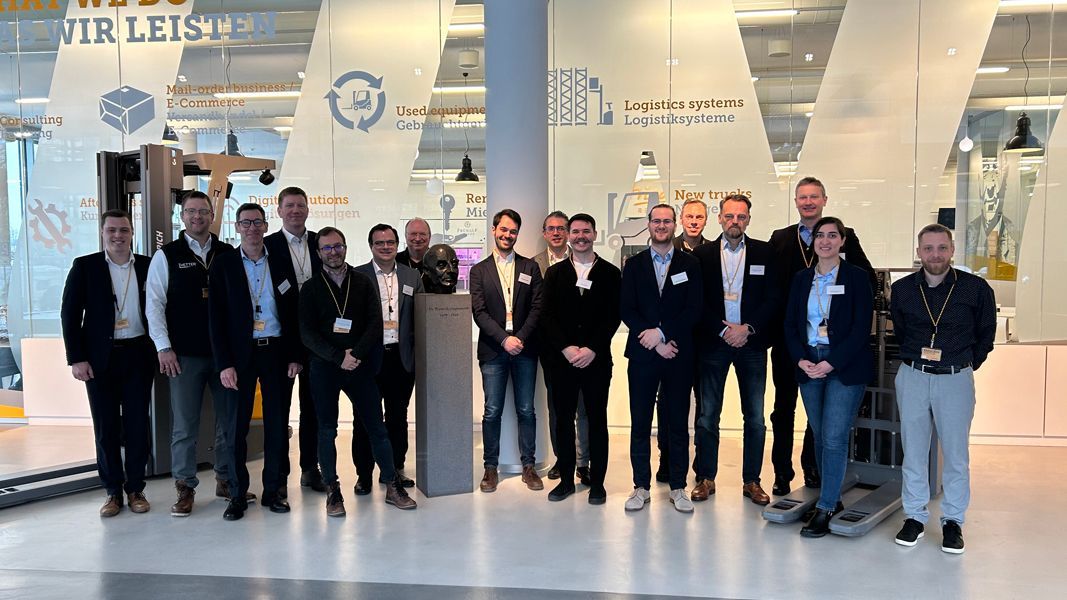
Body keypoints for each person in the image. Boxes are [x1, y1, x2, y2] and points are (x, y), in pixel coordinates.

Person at [890, 224, 995, 554]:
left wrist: (965, 363)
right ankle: (915, 516)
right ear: (918, 252)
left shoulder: (975, 288)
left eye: (941, 248)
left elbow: (986, 334)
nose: (935, 255)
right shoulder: (903, 289)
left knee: (956, 454)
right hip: (914, 375)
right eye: (928, 248)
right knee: (914, 451)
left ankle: (953, 521)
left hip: (955, 377)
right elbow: (901, 330)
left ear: (952, 250)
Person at [768, 176, 875, 496]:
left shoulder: (844, 236)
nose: (808, 202)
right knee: (783, 408)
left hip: (833, 347)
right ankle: (781, 472)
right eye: (803, 197)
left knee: (822, 420)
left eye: (814, 196)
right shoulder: (780, 238)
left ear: (824, 200)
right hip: (792, 342)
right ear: (796, 202)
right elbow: (771, 287)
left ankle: (813, 469)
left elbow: (866, 279)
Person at [299, 227, 417, 515]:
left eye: (338, 246)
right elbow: (307, 333)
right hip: (325, 368)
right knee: (326, 430)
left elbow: (375, 324)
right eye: (327, 248)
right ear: (319, 253)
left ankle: (391, 484)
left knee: (377, 427)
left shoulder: (362, 282)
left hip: (359, 367)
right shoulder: (310, 288)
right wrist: (338, 356)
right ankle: (333, 491)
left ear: (346, 247)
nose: (333, 252)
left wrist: (355, 355)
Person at [145, 191, 240, 516]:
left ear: (212, 215)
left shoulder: (227, 253)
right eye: (190, 211)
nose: (197, 216)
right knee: (185, 426)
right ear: (182, 216)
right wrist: (163, 347)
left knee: (228, 422)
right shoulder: (167, 256)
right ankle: (185, 487)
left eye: (203, 211)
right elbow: (154, 305)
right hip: (183, 356)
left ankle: (225, 479)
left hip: (225, 356)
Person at [208, 203, 303, 521]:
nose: (252, 228)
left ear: (265, 225)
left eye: (257, 222)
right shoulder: (224, 264)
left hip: (276, 352)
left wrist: (295, 355)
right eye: (246, 223)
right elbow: (215, 318)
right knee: (235, 428)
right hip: (239, 357)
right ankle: (237, 494)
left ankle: (273, 491)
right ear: (237, 227)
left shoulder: (281, 261)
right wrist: (224, 363)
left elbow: (292, 311)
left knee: (277, 425)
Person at [783, 217, 873, 537]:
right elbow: (790, 325)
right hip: (809, 363)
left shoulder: (857, 277)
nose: (825, 241)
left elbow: (861, 328)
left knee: (834, 437)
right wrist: (801, 358)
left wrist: (831, 363)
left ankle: (826, 506)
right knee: (820, 436)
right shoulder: (801, 278)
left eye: (832, 235)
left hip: (843, 367)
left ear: (842, 241)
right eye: (820, 235)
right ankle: (831, 497)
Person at [61, 209, 154, 517]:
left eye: (123, 230)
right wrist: (76, 358)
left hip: (139, 354)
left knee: (138, 425)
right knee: (106, 426)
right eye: (112, 230)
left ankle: (136, 488)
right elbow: (70, 314)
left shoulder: (147, 265)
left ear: (132, 233)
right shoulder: (85, 267)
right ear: (102, 233)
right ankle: (113, 491)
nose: (118, 236)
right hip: (100, 359)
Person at [691, 194, 779, 506]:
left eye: (741, 217)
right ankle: (705, 477)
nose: (735, 222)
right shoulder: (701, 255)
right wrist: (723, 329)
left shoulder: (765, 252)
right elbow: (696, 300)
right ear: (720, 218)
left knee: (755, 417)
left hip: (751, 344)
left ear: (749, 219)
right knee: (707, 416)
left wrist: (747, 328)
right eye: (729, 216)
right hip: (714, 343)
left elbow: (773, 298)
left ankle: (752, 481)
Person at [620, 204, 703, 513]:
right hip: (643, 353)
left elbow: (694, 309)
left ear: (674, 224)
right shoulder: (634, 264)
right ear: (649, 224)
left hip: (677, 353)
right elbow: (626, 308)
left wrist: (663, 334)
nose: (662, 226)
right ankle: (640, 486)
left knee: (678, 423)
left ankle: (678, 486)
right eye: (656, 221)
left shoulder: (690, 264)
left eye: (667, 221)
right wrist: (653, 340)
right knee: (640, 422)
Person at [540, 213, 621, 505]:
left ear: (595, 234)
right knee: (563, 420)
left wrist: (592, 349)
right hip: (562, 362)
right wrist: (566, 348)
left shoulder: (611, 273)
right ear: (569, 236)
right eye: (575, 232)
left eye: (586, 231)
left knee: (597, 420)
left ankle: (597, 483)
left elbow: (613, 315)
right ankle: (565, 480)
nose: (580, 236)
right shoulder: (555, 273)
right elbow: (546, 316)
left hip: (596, 361)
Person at [469, 209, 544, 493]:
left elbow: (537, 307)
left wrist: (519, 338)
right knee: (492, 411)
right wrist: (504, 340)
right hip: (493, 350)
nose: (508, 235)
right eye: (503, 229)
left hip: (524, 348)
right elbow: (479, 312)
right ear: (494, 230)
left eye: (513, 231)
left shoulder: (530, 267)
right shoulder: (479, 270)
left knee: (526, 410)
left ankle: (529, 466)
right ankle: (491, 467)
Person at [353, 224, 424, 493]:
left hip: (401, 359)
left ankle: (394, 470)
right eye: (380, 243)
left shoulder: (411, 275)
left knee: (397, 417)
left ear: (397, 244)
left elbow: (419, 318)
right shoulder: (357, 275)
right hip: (368, 359)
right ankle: (364, 475)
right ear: (371, 246)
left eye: (390, 242)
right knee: (364, 419)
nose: (386, 247)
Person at [263, 186, 325, 494]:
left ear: (308, 209)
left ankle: (310, 469)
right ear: (279, 211)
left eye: (300, 205)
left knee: (313, 408)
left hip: (317, 340)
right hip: (281, 340)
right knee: (278, 411)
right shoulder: (267, 246)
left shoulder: (320, 243)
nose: (295, 211)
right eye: (289, 206)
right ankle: (278, 477)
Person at [533, 210, 590, 484]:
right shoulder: (534, 265)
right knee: (557, 408)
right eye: (551, 228)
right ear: (544, 233)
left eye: (561, 228)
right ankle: (562, 459)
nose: (556, 233)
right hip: (552, 350)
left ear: (568, 232)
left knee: (584, 408)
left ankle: (583, 461)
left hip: (583, 348)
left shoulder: (582, 259)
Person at [656, 198, 709, 483]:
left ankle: (701, 465)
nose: (694, 221)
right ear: (681, 221)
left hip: (704, 341)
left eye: (699, 217)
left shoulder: (712, 251)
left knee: (704, 405)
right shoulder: (668, 249)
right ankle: (666, 459)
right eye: (689, 216)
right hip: (671, 343)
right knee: (667, 404)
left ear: (706, 220)